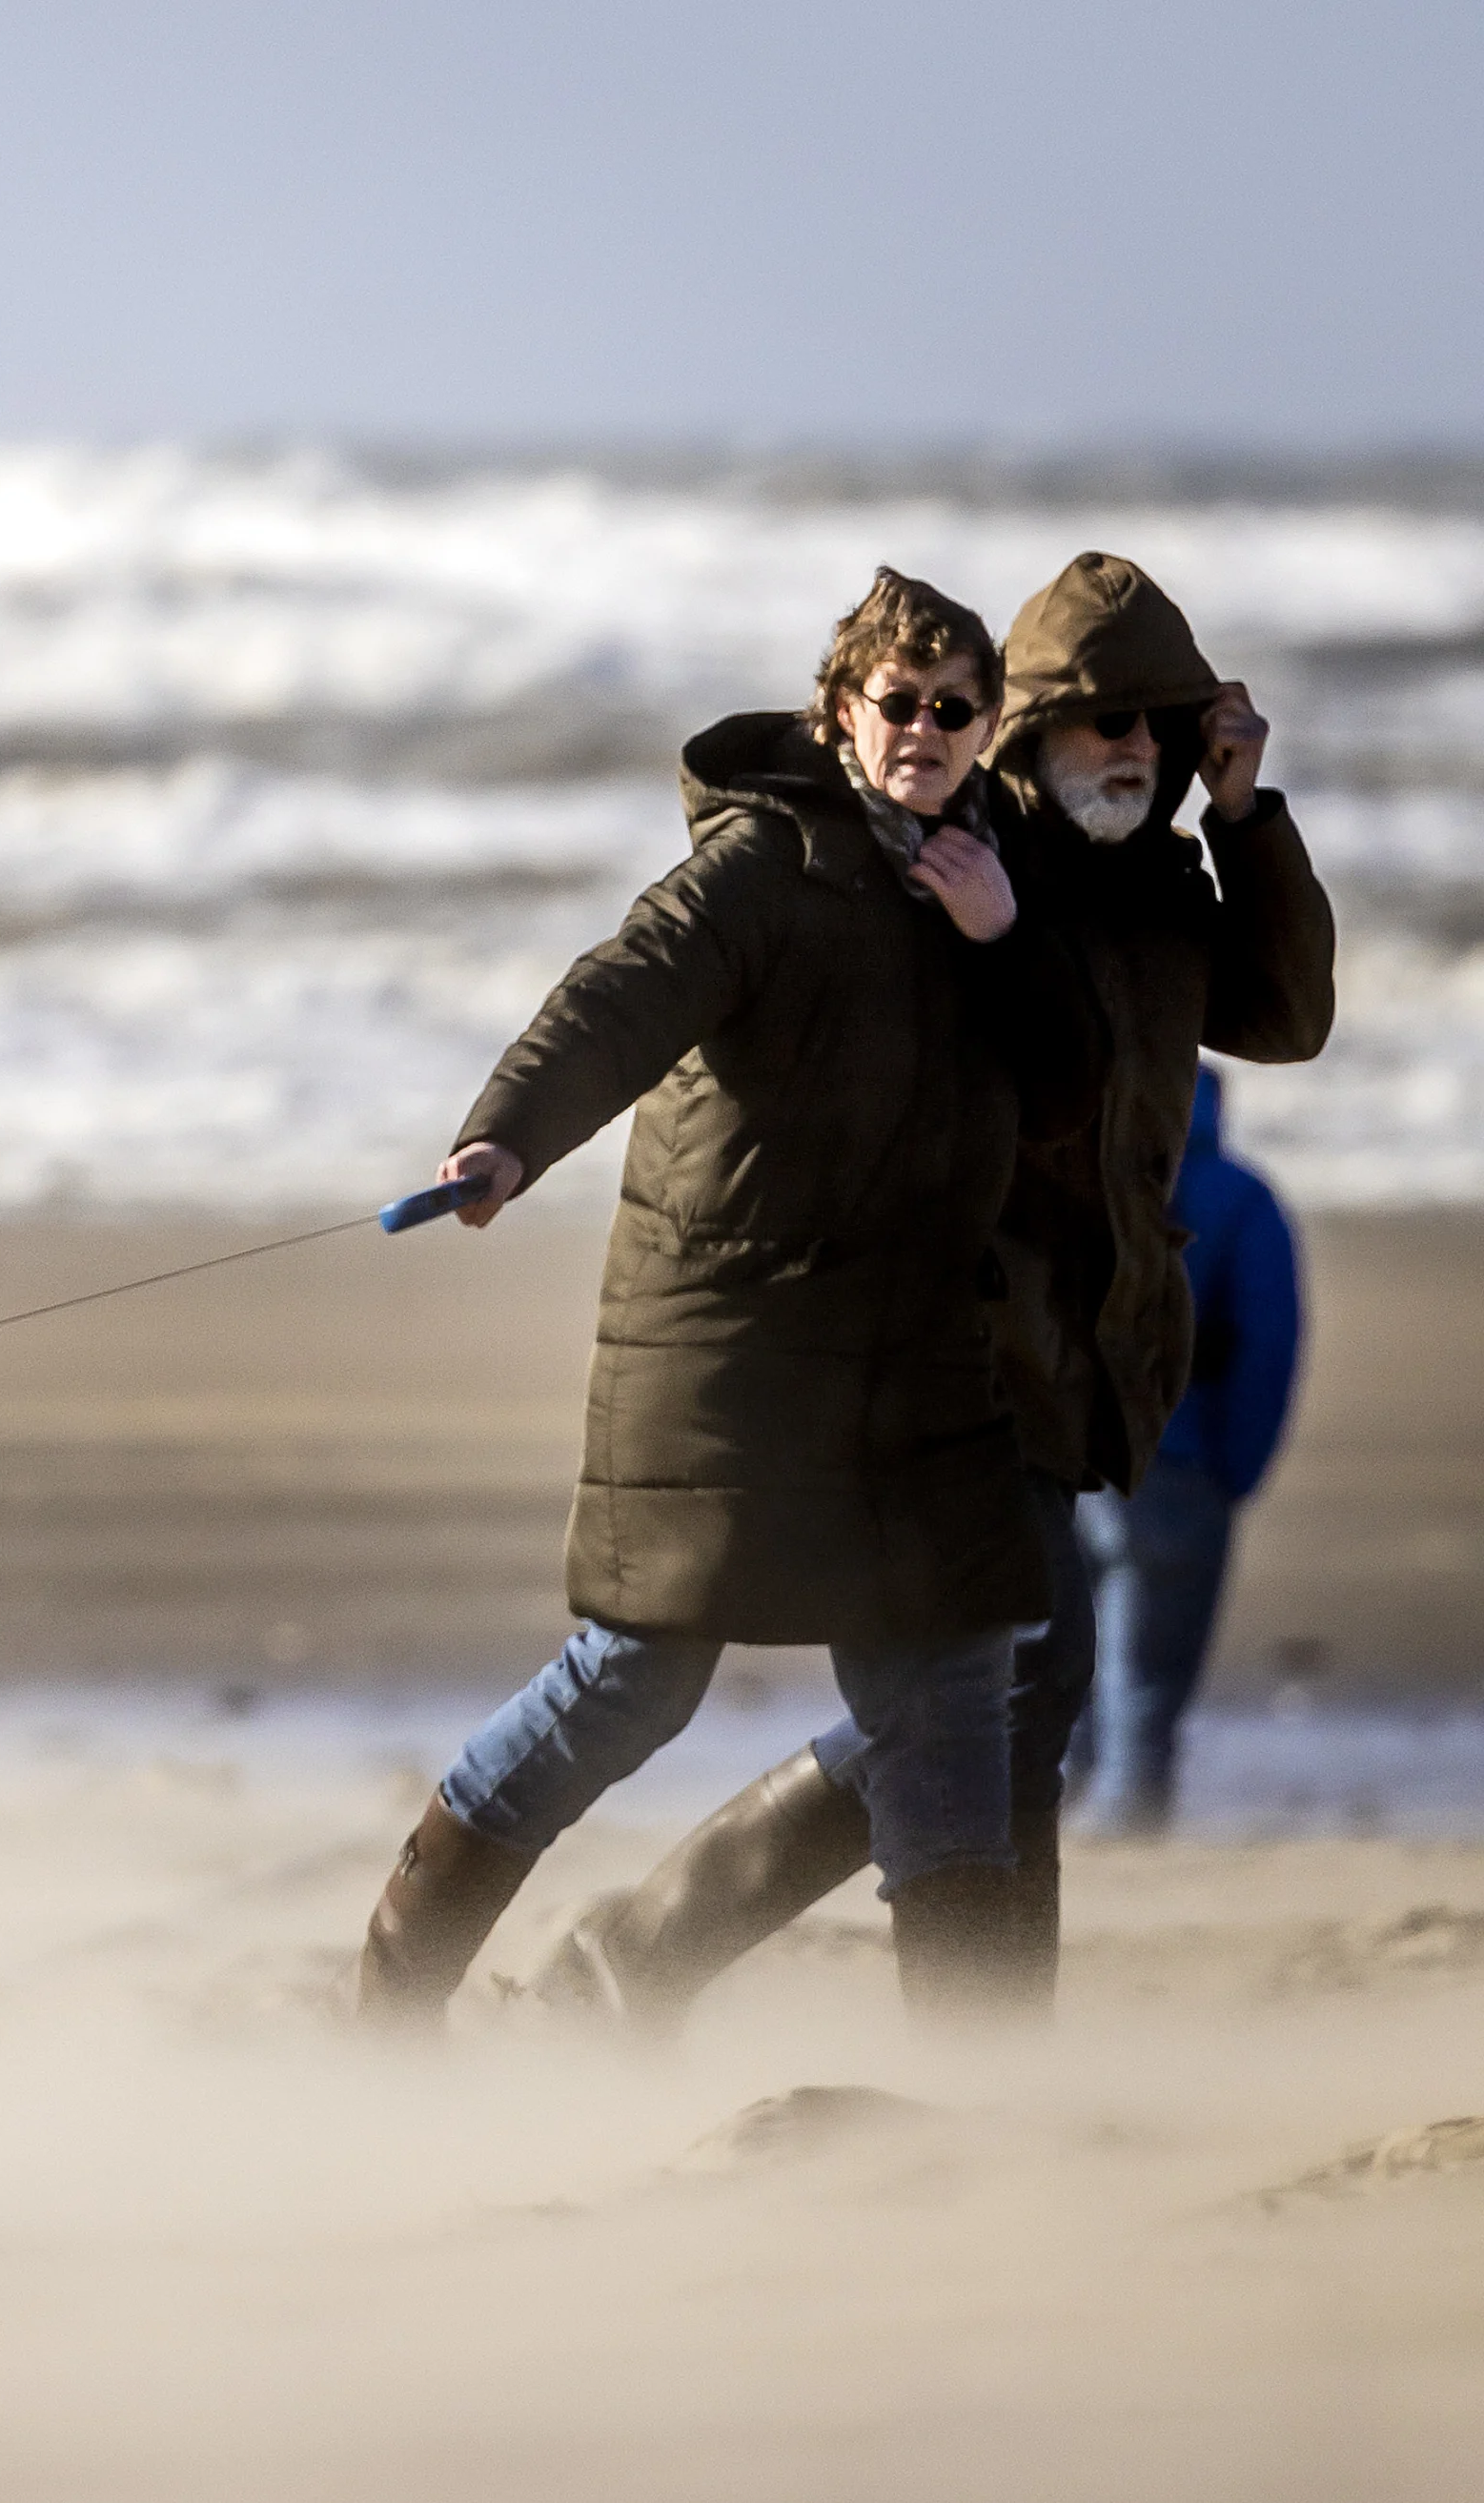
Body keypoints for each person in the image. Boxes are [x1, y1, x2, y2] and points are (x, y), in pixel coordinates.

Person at [538, 553, 1336, 2037]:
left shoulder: (1169, 883)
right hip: (957, 1349)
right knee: (1015, 1693)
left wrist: (1243, 817)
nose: (1136, 753)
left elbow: (1288, 1016)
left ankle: (637, 1959)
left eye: (1159, 729)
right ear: (1029, 733)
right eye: (1106, 725)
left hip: (1092, 1354)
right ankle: (970, 2050)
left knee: (1004, 1697)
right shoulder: (961, 864)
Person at [352, 567, 1087, 2036]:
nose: (926, 731)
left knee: (947, 1697)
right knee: (632, 1682)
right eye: (900, 703)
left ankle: (986, 2097)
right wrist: (509, 1134)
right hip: (729, 1348)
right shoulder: (768, 863)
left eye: (957, 708)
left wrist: (1006, 940)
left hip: (916, 1359)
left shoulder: (993, 874)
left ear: (986, 724)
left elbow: (1071, 1090)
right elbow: (622, 991)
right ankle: (390, 1996)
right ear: (841, 713)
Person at [1066, 1064, 1303, 1831]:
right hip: (1179, 1461)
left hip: (1062, 1458)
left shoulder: (1078, 1178)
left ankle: (1047, 1829)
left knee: (1057, 1659)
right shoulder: (1242, 1198)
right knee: (1148, 1674)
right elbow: (1268, 1344)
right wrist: (1238, 1468)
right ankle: (1127, 1836)